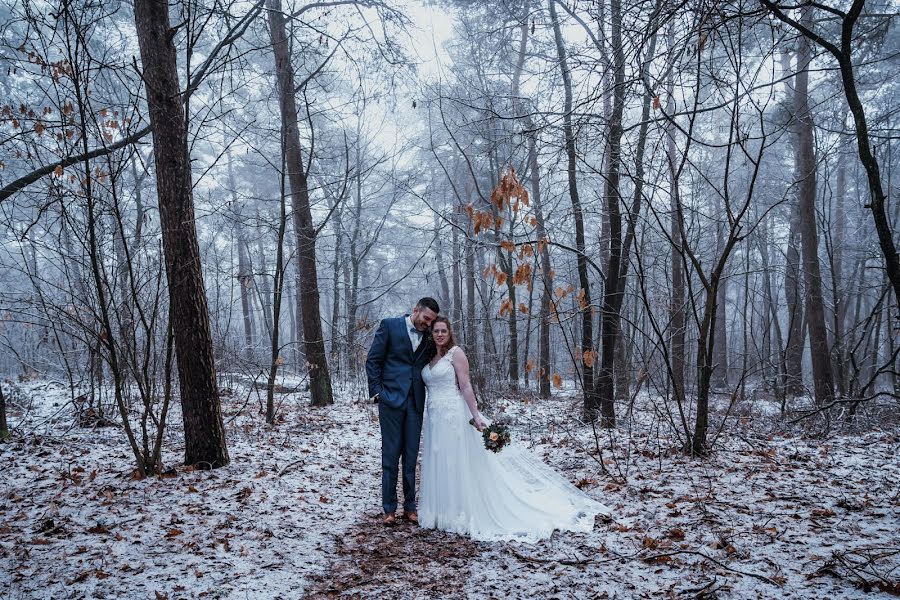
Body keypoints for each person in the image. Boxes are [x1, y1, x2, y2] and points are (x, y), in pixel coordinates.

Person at [418, 316, 609, 543]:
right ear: (432, 333)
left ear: (450, 333)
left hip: (453, 415)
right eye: (436, 331)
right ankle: (441, 511)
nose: (440, 334)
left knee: (455, 462)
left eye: (444, 331)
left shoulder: (456, 354)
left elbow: (466, 385)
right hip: (434, 417)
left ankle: (459, 514)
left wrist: (476, 415)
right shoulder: (428, 357)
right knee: (438, 459)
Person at [365, 297, 439, 526]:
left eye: (431, 321)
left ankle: (410, 507)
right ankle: (389, 509)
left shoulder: (428, 335)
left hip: (416, 402)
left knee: (410, 457)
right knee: (390, 455)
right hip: (391, 400)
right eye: (426, 318)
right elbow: (373, 360)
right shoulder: (389, 326)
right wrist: (378, 393)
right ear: (415, 310)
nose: (428, 324)